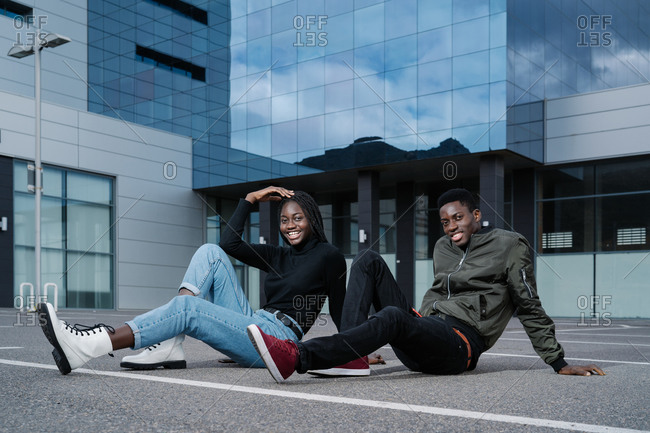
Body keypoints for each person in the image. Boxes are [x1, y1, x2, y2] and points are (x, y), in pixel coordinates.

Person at [247, 188, 606, 382]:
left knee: (390, 316)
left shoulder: (510, 245)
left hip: (460, 345)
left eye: (459, 217)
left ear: (476, 216)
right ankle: (351, 356)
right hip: (427, 326)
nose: (451, 226)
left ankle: (301, 357)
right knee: (368, 259)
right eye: (445, 221)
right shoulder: (442, 247)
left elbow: (528, 303)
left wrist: (558, 362)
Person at [38, 186, 346, 375]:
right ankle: (171, 343)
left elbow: (341, 309)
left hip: (278, 339)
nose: (290, 225)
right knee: (210, 251)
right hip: (253, 322)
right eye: (284, 219)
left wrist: (355, 347)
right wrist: (250, 199)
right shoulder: (278, 255)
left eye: (297, 218)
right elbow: (229, 244)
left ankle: (89, 345)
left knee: (189, 309)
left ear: (312, 219)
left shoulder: (329, 256)